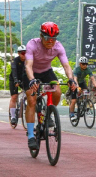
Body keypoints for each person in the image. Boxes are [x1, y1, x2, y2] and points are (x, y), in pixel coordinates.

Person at [23, 22, 76, 150]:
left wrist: (71, 79)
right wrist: (31, 80)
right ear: (41, 36)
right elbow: (28, 66)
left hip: (47, 72)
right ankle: (30, 135)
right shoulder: (32, 44)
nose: (50, 41)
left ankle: (49, 114)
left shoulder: (58, 47)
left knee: (57, 92)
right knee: (31, 100)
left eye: (53, 39)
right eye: (47, 38)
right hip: (32, 73)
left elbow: (66, 66)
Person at [69, 56, 96, 121]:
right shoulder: (77, 69)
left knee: (86, 91)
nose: (85, 65)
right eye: (83, 64)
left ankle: (84, 104)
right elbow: (75, 79)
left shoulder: (88, 69)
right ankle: (71, 114)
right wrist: (77, 87)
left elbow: (92, 78)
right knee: (74, 100)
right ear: (80, 64)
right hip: (74, 83)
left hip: (82, 82)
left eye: (86, 64)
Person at [9, 45, 26, 125]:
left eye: (26, 53)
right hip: (14, 79)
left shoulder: (29, 60)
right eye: (22, 53)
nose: (24, 55)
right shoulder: (15, 61)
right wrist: (16, 80)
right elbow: (14, 71)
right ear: (19, 53)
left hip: (24, 79)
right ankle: (12, 116)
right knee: (14, 96)